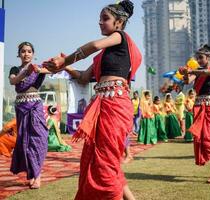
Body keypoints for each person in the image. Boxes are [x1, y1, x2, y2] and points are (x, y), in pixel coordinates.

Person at [43, 1, 141, 199]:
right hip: (102, 105)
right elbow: (84, 77)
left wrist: (66, 60)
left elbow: (93, 45)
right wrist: (64, 67)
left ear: (119, 22)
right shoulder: (104, 57)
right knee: (100, 159)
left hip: (115, 105)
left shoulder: (120, 37)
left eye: (105, 19)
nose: (100, 23)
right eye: (99, 19)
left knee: (105, 161)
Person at [179, 44, 210, 183]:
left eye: (201, 58)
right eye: (198, 58)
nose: (199, 60)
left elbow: (208, 73)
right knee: (203, 140)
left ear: (208, 57)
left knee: (209, 139)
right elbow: (186, 81)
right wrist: (185, 73)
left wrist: (193, 70)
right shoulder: (196, 71)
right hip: (198, 106)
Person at [9, 42, 49, 189]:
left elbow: (52, 70)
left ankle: (38, 175)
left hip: (35, 107)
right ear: (19, 54)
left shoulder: (37, 69)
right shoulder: (15, 69)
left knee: (38, 139)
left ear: (33, 54)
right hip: (21, 107)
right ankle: (33, 174)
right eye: (23, 51)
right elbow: (13, 81)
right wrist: (26, 72)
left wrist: (44, 68)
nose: (26, 54)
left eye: (29, 51)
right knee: (24, 141)